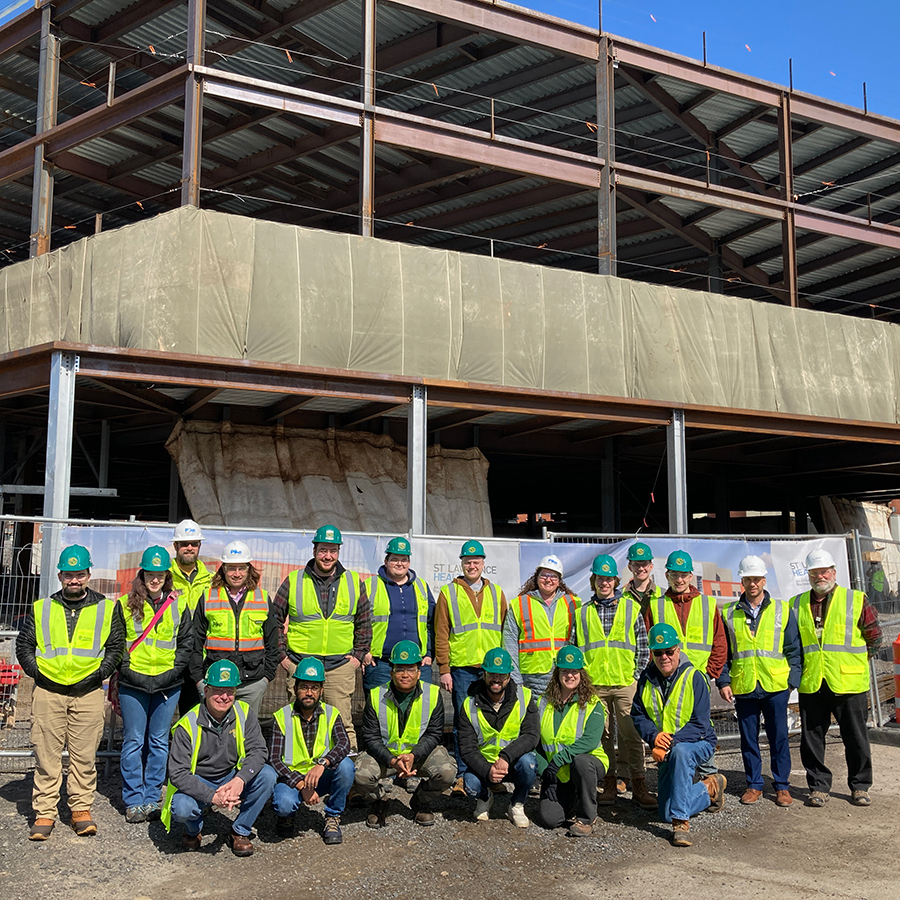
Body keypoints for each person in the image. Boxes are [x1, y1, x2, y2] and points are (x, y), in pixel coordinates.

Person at [16, 544, 124, 840]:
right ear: (60, 575)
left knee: (84, 755)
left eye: (79, 574)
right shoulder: (42, 608)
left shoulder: (107, 608)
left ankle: (80, 809)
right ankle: (45, 812)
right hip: (48, 691)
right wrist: (39, 674)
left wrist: (98, 676)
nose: (73, 580)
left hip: (87, 692)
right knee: (46, 754)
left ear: (88, 574)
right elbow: (24, 646)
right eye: (68, 575)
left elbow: (116, 648)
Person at [791, 548, 882, 807]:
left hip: (849, 682)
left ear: (833, 572)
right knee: (812, 740)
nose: (820, 576)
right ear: (808, 574)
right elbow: (792, 643)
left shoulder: (855, 599)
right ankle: (818, 787)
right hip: (813, 681)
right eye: (814, 572)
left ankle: (860, 786)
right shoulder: (796, 604)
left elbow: (874, 636)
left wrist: (855, 662)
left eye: (824, 571)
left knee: (855, 737)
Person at [161, 660, 276, 856]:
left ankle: (240, 831)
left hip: (231, 776)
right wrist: (212, 797)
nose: (224, 696)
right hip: (199, 778)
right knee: (182, 807)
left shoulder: (244, 713)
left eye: (230, 691)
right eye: (218, 690)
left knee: (268, 775)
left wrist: (240, 780)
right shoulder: (187, 724)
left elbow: (258, 750)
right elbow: (178, 773)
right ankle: (193, 830)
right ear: (206, 691)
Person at [272, 525, 371, 750]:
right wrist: (283, 658)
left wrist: (357, 656)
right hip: (300, 665)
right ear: (314, 550)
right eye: (323, 550)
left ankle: (347, 771)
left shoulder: (354, 581)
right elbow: (274, 619)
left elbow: (364, 622)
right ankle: (293, 769)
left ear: (338, 552)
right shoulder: (294, 580)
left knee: (343, 722)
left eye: (333, 551)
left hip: (339, 666)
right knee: (297, 721)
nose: (328, 556)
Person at [116, 545, 193, 824]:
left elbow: (187, 643)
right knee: (134, 741)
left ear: (166, 576)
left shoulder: (180, 604)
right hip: (133, 683)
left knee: (159, 741)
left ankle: (152, 797)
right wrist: (127, 671)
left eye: (160, 574)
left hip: (167, 684)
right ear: (143, 574)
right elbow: (117, 644)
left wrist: (173, 674)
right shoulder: (125, 605)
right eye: (151, 574)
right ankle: (134, 799)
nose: (155, 579)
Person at [631, 624, 726, 847]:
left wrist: (668, 743)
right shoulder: (646, 678)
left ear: (678, 649)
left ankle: (681, 824)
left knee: (682, 752)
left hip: (698, 743)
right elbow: (638, 714)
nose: (664, 657)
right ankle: (710, 786)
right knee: (664, 812)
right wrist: (654, 737)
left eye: (669, 651)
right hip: (666, 746)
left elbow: (700, 725)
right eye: (658, 652)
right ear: (652, 653)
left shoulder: (695, 677)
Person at [717, 555, 801, 807]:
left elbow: (794, 649)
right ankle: (754, 785)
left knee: (779, 737)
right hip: (744, 685)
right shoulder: (729, 612)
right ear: (741, 581)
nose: (752, 584)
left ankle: (782, 786)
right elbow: (724, 652)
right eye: (747, 579)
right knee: (748, 739)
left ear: (764, 580)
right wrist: (723, 681)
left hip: (775, 685)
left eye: (756, 579)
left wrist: (791, 682)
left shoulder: (782, 610)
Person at [575, 554, 655, 810]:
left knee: (631, 735)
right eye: (600, 578)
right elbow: (575, 649)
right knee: (602, 736)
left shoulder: (630, 608)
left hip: (624, 683)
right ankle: (609, 782)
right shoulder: (583, 613)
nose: (604, 583)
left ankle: (639, 785)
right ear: (594, 580)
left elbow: (643, 646)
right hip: (594, 685)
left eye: (609, 578)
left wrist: (636, 676)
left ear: (615, 581)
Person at [645, 549, 727, 780]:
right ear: (667, 576)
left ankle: (708, 776)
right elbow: (650, 644)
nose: (679, 579)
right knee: (671, 721)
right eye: (674, 575)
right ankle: (679, 773)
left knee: (702, 724)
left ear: (691, 576)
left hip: (698, 678)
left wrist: (709, 673)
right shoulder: (656, 605)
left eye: (683, 575)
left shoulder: (708, 604)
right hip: (667, 678)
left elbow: (719, 641)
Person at [434, 540, 508, 792]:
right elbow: (441, 633)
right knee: (463, 722)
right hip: (462, 669)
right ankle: (464, 775)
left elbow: (505, 632)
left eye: (476, 561)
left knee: (492, 721)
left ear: (483, 564)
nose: (472, 565)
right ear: (462, 564)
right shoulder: (448, 592)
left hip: (492, 670)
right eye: (468, 562)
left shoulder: (497, 593)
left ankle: (491, 772)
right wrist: (444, 668)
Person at [355, 640, 454, 828]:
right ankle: (379, 801)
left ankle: (420, 800)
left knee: (447, 772)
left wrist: (414, 755)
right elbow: (370, 737)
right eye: (400, 669)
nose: (405, 674)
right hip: (386, 756)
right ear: (391, 672)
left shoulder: (433, 694)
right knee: (361, 775)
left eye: (410, 669)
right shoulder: (376, 695)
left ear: (419, 672)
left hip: (418, 755)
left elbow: (434, 733)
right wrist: (392, 760)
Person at [270, 656, 355, 845]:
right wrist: (301, 785)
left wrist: (322, 764)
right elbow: (275, 760)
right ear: (295, 688)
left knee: (346, 766)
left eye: (314, 688)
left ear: (321, 690)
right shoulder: (281, 716)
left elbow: (344, 745)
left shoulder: (332, 713)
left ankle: (333, 816)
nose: (309, 693)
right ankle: (287, 815)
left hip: (320, 774)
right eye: (304, 687)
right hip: (293, 777)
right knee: (284, 804)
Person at [189, 541, 279, 716]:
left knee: (246, 734)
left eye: (241, 568)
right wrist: (199, 679)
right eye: (231, 568)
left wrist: (266, 678)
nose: (236, 574)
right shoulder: (208, 598)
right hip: (216, 682)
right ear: (223, 569)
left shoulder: (262, 599)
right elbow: (195, 642)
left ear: (248, 569)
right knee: (215, 733)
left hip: (252, 682)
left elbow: (272, 643)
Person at [457, 647, 539, 827]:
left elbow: (531, 735)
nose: (497, 679)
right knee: (470, 785)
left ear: (509, 677)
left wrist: (505, 757)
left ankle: (517, 804)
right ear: (484, 674)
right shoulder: (469, 704)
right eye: (492, 674)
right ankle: (485, 798)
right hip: (484, 764)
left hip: (513, 762)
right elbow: (467, 748)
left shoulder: (524, 697)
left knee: (529, 763)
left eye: (502, 675)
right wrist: (488, 770)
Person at [536, 645, 607, 837]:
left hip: (588, 765)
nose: (570, 675)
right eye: (565, 670)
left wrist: (557, 761)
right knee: (550, 820)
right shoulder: (542, 702)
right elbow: (535, 743)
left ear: (581, 673)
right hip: (557, 773)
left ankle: (587, 817)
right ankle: (574, 798)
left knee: (581, 762)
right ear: (557, 672)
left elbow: (590, 741)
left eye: (574, 671)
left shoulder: (593, 704)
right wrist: (546, 774)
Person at [363, 537, 435, 691]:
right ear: (386, 560)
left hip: (417, 663)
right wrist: (364, 651)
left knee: (421, 710)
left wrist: (429, 653)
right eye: (395, 559)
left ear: (409, 563)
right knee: (380, 711)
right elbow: (358, 623)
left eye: (404, 559)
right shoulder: (370, 586)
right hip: (381, 664)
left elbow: (431, 623)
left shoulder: (421, 586)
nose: (400, 564)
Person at [503, 554, 579, 695]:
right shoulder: (520, 604)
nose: (548, 580)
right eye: (544, 575)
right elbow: (510, 643)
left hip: (565, 674)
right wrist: (516, 679)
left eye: (553, 576)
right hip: (532, 679)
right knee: (535, 716)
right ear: (536, 577)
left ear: (559, 581)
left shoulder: (573, 603)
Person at [170, 519, 213, 716]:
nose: (189, 548)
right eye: (185, 544)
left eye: (194, 543)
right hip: (169, 657)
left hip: (199, 659)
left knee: (194, 715)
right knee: (163, 719)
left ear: (199, 546)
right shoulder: (163, 577)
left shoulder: (213, 580)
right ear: (175, 546)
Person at [621, 542, 662, 615]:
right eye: (636, 564)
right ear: (630, 567)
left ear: (651, 566)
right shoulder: (620, 596)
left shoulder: (663, 595)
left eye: (644, 564)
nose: (640, 568)